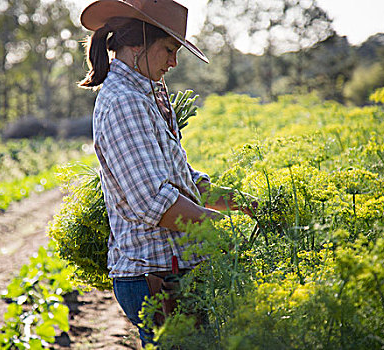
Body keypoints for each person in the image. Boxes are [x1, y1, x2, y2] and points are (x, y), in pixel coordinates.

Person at [78, 0, 254, 346]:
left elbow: (181, 178)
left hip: (172, 270)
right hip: (154, 276)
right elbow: (155, 203)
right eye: (169, 50)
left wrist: (243, 204)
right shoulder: (124, 102)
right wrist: (224, 232)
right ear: (138, 41)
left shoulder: (149, 94)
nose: (173, 62)